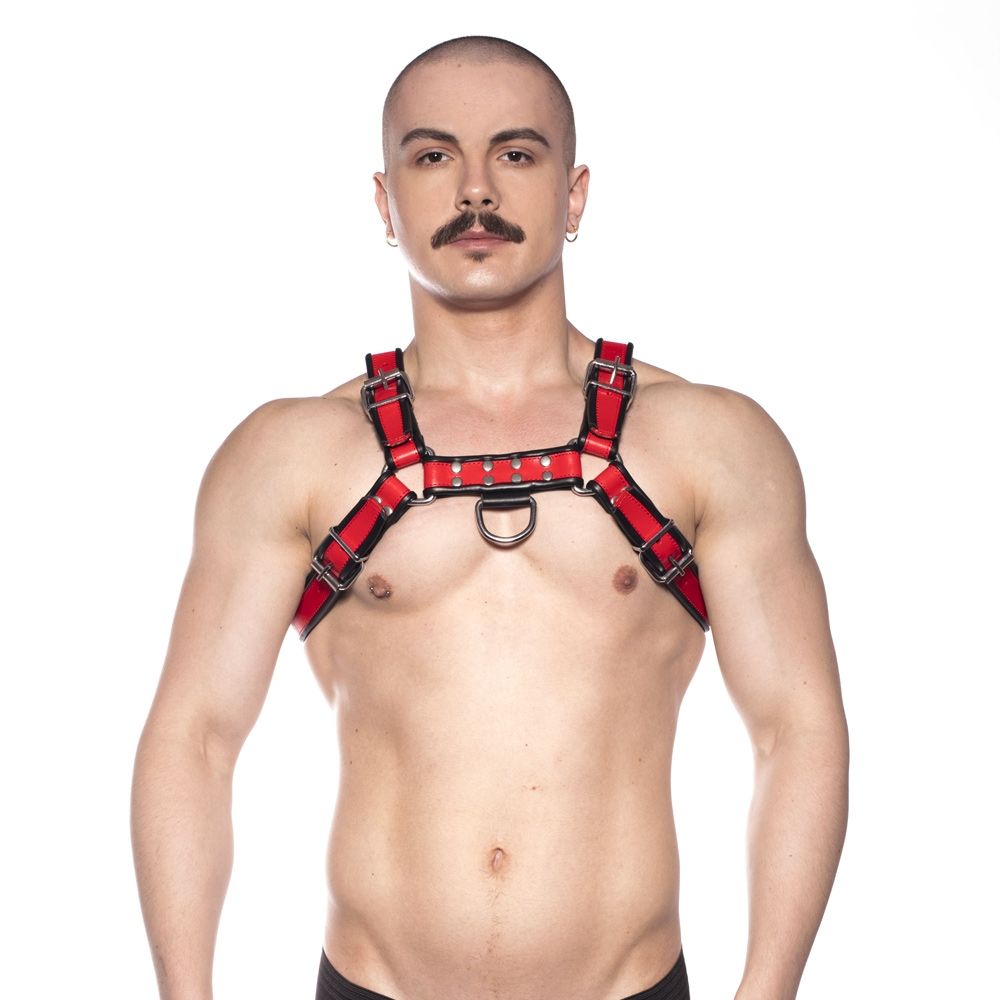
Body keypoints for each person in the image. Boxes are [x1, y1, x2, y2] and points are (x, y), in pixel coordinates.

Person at [131, 35, 849, 1000]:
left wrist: (766, 993)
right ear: (386, 202)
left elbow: (795, 728)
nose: (476, 190)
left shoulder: (709, 444)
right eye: (434, 156)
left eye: (515, 153)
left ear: (574, 195)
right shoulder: (290, 456)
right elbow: (196, 738)